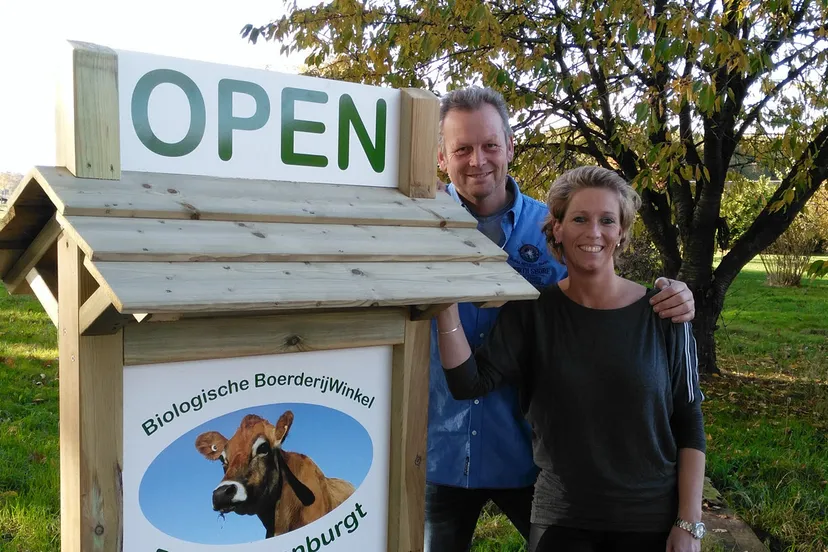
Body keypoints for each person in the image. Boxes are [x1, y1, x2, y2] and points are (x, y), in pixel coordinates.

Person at [425, 86, 698, 552]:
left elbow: (599, 286)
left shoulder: (550, 226)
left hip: (531, 457)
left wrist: (678, 296)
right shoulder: (416, 229)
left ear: (511, 146)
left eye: (490, 145)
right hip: (440, 449)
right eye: (462, 148)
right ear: (441, 156)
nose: (478, 160)